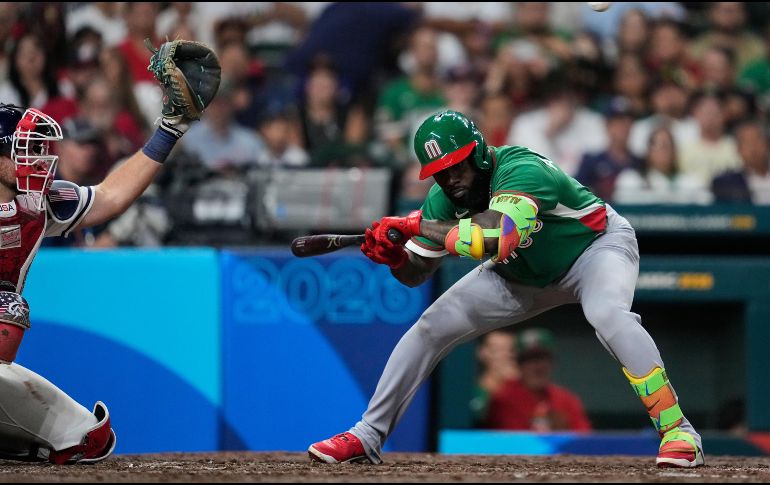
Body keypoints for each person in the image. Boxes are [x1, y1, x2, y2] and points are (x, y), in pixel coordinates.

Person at [308, 110, 704, 468]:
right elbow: (417, 274)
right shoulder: (442, 199)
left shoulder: (521, 167)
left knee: (607, 314)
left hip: (592, 249)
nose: (450, 179)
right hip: (521, 274)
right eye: (440, 173)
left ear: (478, 152)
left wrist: (411, 226)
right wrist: (394, 256)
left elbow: (496, 236)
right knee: (430, 327)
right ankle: (367, 436)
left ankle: (679, 431)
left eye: (456, 166)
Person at [0, 43, 205, 462]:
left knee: (87, 438)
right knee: (6, 310)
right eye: (22, 149)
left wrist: (168, 130)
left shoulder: (35, 203)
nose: (37, 159)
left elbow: (111, 196)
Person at [485, 328, 592, 432]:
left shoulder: (567, 400)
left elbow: (584, 440)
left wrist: (565, 434)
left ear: (552, 362)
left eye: (542, 358)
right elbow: (509, 444)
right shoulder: (503, 400)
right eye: (529, 359)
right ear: (518, 365)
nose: (537, 367)